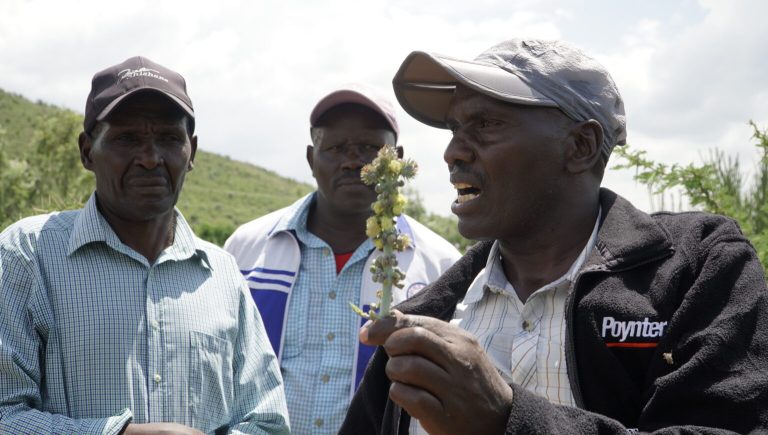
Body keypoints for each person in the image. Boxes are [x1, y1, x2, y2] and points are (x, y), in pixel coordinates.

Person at [340, 39, 768, 434]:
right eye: (453, 129)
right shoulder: (432, 312)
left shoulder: (698, 271)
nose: (453, 152)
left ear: (580, 146)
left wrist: (507, 419)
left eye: (486, 123)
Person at [0, 56, 289, 434]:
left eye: (169, 138)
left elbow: (266, 422)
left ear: (192, 153)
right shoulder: (27, 255)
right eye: (126, 139)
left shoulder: (221, 274)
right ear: (87, 151)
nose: (151, 159)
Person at [224, 84, 461, 434]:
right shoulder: (246, 249)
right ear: (310, 158)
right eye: (335, 148)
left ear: (395, 158)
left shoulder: (442, 266)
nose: (352, 161)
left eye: (369, 148)